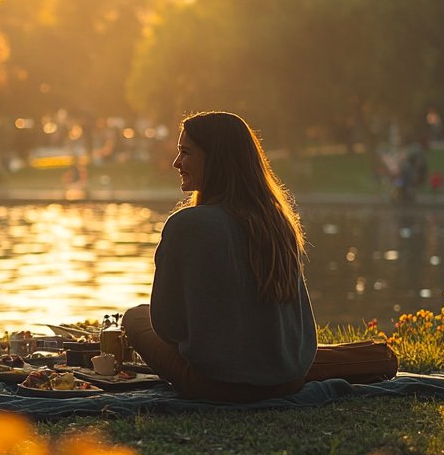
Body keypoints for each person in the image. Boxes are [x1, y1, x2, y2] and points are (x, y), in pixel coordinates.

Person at [122, 111, 318, 403]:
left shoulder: (188, 224)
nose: (176, 162)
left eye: (186, 152)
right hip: (290, 381)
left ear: (216, 159)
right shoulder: (278, 223)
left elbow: (167, 326)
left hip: (218, 386)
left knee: (135, 317)